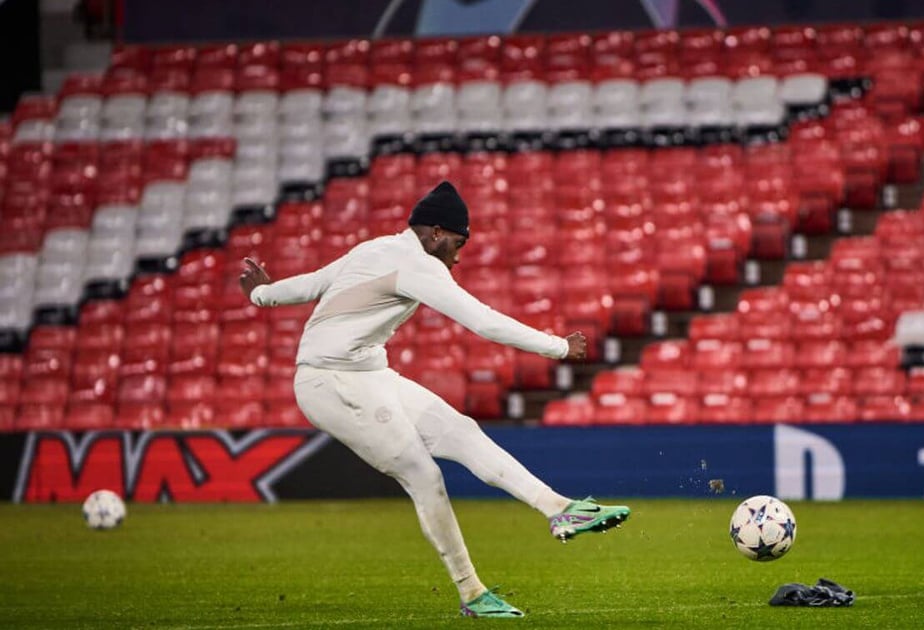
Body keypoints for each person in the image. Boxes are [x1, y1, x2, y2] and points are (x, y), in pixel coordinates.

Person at [238, 180, 630, 618]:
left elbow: (311, 284)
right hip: (329, 383)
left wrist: (260, 294)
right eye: (458, 243)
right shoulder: (417, 265)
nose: (458, 256)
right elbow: (482, 321)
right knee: (424, 476)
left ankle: (560, 509)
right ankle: (473, 594)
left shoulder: (375, 249)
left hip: (368, 373)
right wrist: (558, 347)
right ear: (437, 233)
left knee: (462, 430)